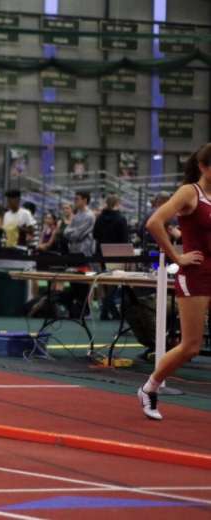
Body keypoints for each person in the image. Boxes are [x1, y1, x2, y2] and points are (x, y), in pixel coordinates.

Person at [138, 143, 211, 420]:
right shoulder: (189, 193)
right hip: (195, 274)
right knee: (191, 346)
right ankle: (150, 387)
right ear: (204, 168)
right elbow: (155, 222)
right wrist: (177, 258)